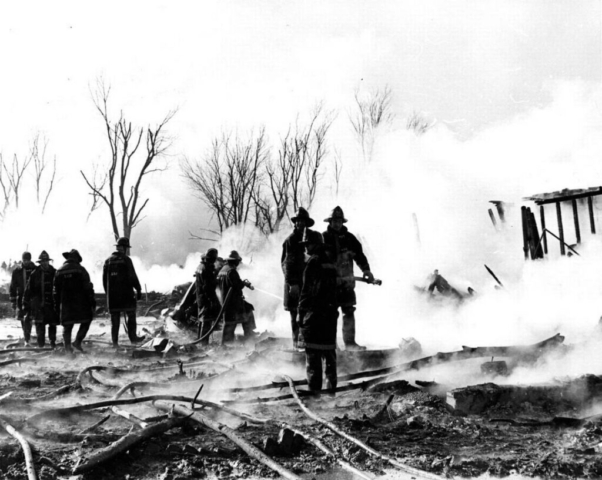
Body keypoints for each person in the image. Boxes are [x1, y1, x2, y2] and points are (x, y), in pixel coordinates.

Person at [322, 206, 375, 350]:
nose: (337, 224)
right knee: (330, 314)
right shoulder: (323, 238)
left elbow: (359, 256)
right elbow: (317, 261)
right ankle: (331, 344)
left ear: (342, 222)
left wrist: (366, 270)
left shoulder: (350, 238)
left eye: (339, 221)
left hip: (347, 284)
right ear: (330, 221)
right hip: (330, 284)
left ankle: (350, 343)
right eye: (334, 221)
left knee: (349, 311)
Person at [298, 229, 339, 393]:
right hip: (330, 315)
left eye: (307, 244)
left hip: (314, 316)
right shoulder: (330, 262)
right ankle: (331, 391)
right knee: (329, 354)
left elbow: (306, 292)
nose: (306, 248)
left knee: (313, 355)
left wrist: (300, 314)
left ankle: (314, 392)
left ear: (314, 244)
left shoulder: (312, 263)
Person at [281, 207, 322, 349]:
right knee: (295, 314)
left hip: (311, 283)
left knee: (311, 313)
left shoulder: (315, 237)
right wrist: (292, 283)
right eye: (298, 221)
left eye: (303, 221)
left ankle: (310, 342)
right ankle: (296, 344)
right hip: (295, 283)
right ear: (295, 223)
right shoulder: (290, 241)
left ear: (307, 223)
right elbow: (286, 264)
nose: (300, 224)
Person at [103, 237, 145, 347]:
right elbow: (132, 276)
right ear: (124, 248)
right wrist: (139, 289)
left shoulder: (108, 261)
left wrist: (108, 294)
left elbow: (104, 281)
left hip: (113, 297)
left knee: (115, 320)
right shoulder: (126, 260)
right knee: (131, 316)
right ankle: (133, 339)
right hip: (126, 295)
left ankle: (115, 343)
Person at [53, 249, 96, 353]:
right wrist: (92, 303)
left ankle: (67, 348)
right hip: (81, 304)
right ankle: (77, 342)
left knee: (67, 326)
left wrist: (56, 306)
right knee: (86, 321)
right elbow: (88, 288)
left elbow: (55, 292)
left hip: (66, 304)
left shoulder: (59, 271)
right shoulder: (81, 270)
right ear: (77, 259)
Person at [217, 250, 256, 345]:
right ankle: (249, 338)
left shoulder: (223, 270)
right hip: (233, 302)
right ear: (235, 261)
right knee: (247, 311)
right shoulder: (232, 271)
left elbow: (231, 283)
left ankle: (227, 344)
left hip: (225, 301)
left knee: (230, 322)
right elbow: (237, 285)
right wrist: (244, 283)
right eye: (238, 261)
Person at [23, 251, 59, 348]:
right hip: (39, 305)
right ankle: (41, 346)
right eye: (42, 261)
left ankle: (52, 344)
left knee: (52, 325)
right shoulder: (35, 274)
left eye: (46, 261)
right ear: (40, 262)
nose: (44, 263)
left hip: (51, 305)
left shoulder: (54, 272)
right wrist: (25, 303)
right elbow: (28, 289)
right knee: (40, 326)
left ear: (48, 261)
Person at [195, 248, 221, 345]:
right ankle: (203, 344)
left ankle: (200, 341)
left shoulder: (200, 266)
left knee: (202, 320)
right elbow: (208, 286)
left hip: (200, 297)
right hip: (206, 298)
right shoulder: (207, 269)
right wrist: (212, 300)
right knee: (206, 320)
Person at [10, 252, 36, 345]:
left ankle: (28, 338)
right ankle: (26, 338)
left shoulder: (35, 269)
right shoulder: (17, 271)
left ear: (30, 259)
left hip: (32, 298)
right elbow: (13, 286)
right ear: (22, 260)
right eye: (24, 260)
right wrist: (13, 301)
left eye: (28, 260)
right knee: (22, 318)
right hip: (20, 298)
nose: (26, 262)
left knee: (30, 318)